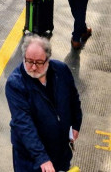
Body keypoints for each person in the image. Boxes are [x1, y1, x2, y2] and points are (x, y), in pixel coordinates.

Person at [6, 35, 82, 172]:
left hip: (60, 151)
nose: (33, 67)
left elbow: (73, 99)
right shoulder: (16, 84)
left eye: (39, 62)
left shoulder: (62, 71)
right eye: (29, 61)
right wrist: (42, 158)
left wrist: (76, 124)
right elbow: (24, 124)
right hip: (31, 159)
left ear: (48, 59)